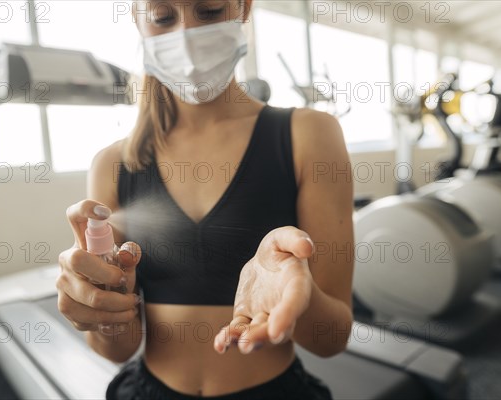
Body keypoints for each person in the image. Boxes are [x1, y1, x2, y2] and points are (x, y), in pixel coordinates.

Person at [57, 0, 354, 398]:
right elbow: (117, 349)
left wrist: (296, 296)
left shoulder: (309, 135)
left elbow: (332, 338)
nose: (186, 35)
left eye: (210, 11)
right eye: (163, 17)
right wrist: (100, 306)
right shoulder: (113, 163)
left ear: (243, 8)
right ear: (138, 21)